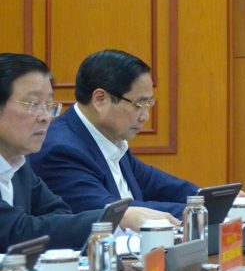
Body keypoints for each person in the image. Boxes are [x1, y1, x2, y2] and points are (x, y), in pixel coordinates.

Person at [0, 53, 174, 249]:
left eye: (48, 105)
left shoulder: (19, 164)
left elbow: (59, 214)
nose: (46, 116)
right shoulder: (59, 150)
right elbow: (16, 231)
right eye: (33, 104)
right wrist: (119, 217)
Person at [30, 49, 205, 218]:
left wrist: (209, 201)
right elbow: (110, 212)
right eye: (139, 105)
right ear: (100, 99)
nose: (145, 116)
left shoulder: (111, 139)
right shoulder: (60, 151)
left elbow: (159, 185)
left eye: (149, 104)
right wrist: (198, 211)